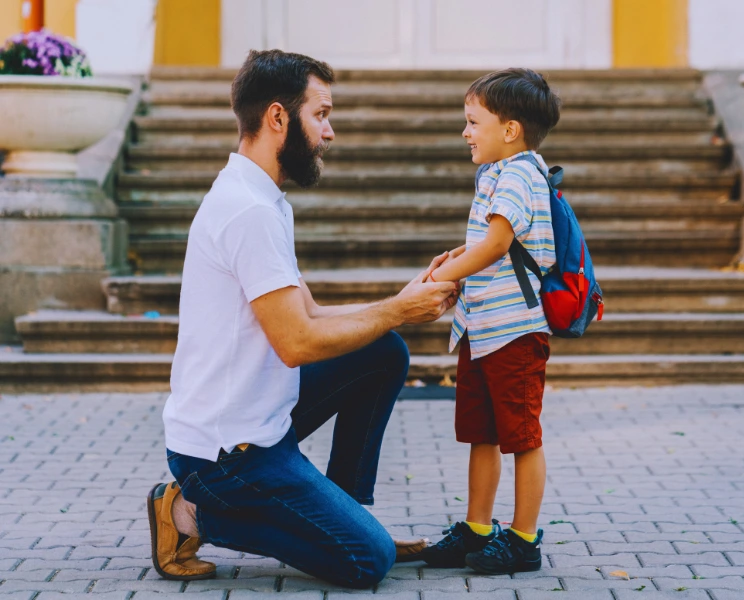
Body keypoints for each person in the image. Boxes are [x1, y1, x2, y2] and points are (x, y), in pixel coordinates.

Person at [146, 49, 458, 589]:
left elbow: (308, 313)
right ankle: (189, 513)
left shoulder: (264, 200)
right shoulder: (248, 211)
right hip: (224, 459)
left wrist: (401, 304)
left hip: (259, 421)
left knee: (382, 352)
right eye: (321, 114)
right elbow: (297, 343)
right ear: (277, 118)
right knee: (367, 561)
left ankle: (347, 510)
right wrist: (398, 310)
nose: (330, 132)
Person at [419, 68, 561, 574]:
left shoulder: (522, 171)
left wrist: (440, 282)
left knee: (521, 436)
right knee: (482, 432)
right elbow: (493, 241)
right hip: (482, 329)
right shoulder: (497, 173)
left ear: (510, 129)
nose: (465, 132)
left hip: (515, 331)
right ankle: (478, 528)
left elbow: (500, 243)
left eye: (473, 121)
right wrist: (456, 257)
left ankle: (523, 541)